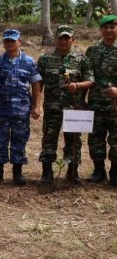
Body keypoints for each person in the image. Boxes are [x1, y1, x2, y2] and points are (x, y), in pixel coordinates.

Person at [37, 25, 93, 184]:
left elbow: (90, 80)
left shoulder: (82, 59)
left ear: (73, 40)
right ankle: (47, 172)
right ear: (55, 39)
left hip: (74, 108)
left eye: (67, 38)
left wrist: (77, 86)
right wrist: (37, 103)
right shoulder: (45, 59)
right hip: (52, 107)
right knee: (49, 138)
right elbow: (38, 82)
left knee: (74, 140)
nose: (63, 41)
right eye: (60, 38)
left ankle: (73, 172)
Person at [0, 29, 41, 186]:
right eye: (7, 41)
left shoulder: (29, 62)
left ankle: (17, 173)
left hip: (22, 110)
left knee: (19, 140)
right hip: (1, 109)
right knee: (0, 140)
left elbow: (36, 84)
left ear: (20, 42)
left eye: (13, 40)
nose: (9, 43)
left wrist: (37, 106)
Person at [86, 15, 117, 186]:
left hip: (115, 105)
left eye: (112, 27)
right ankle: (98, 171)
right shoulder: (93, 50)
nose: (108, 31)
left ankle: (115, 171)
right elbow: (86, 74)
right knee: (95, 139)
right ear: (101, 30)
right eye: (105, 28)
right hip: (96, 103)